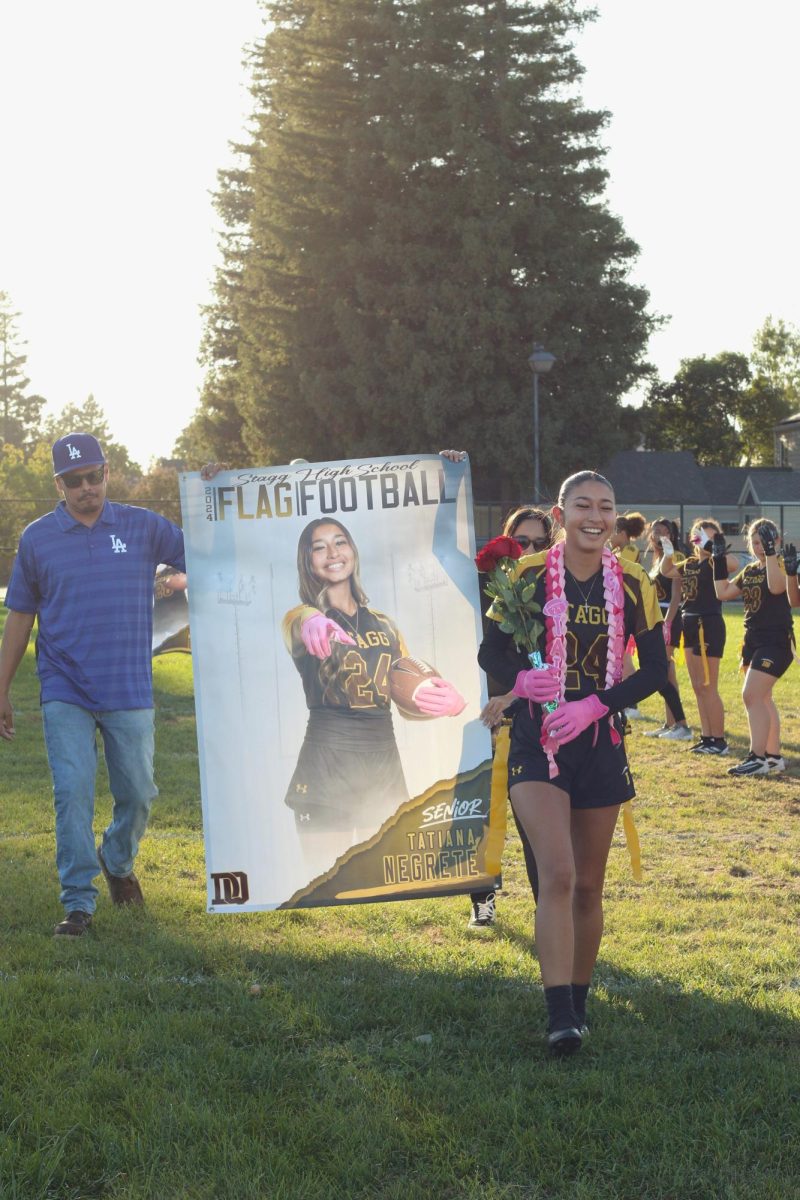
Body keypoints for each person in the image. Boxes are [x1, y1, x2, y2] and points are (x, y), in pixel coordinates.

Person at [478, 471, 667, 1055]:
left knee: (588, 885)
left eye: (606, 506)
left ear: (615, 517)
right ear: (560, 515)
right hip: (537, 742)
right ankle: (559, 1016)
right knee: (556, 873)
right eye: (582, 504)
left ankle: (580, 1002)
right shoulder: (528, 576)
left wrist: (595, 707)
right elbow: (491, 649)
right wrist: (519, 680)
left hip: (599, 742)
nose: (595, 515)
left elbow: (655, 672)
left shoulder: (634, 581)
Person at [0, 433, 186, 936]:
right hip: (65, 688)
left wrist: (211, 491)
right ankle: (78, 904)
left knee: (139, 793)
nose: (88, 488)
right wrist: (1, 690)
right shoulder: (38, 538)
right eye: (75, 480)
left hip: (129, 686)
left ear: (107, 472)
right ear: (59, 484)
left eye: (95, 476)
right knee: (73, 794)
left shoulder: (142, 526)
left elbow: (207, 550)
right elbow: (19, 616)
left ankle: (117, 861)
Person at [282, 517, 465, 877]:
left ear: (353, 550)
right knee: (324, 881)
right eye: (319, 547)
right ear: (307, 560)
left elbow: (404, 701)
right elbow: (294, 621)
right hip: (326, 765)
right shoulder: (301, 617)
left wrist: (440, 702)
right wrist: (310, 619)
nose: (332, 553)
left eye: (340, 542)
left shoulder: (384, 624)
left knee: (380, 886)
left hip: (382, 767)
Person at [469, 504, 554, 930]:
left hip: (533, 719)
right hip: (486, 715)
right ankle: (482, 901)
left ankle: (549, 909)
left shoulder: (550, 586)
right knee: (483, 815)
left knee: (536, 824)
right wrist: (448, 471)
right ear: (506, 540)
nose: (530, 549)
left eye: (541, 542)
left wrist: (524, 695)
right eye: (522, 541)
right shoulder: (483, 584)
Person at [711, 520, 794, 776]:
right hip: (753, 640)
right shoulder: (749, 571)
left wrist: (771, 552)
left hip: (775, 641)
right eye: (755, 542)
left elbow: (776, 587)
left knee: (752, 695)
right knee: (763, 698)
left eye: (764, 541)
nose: (759, 546)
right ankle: (773, 757)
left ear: (776, 541)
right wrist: (717, 561)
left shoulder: (780, 564)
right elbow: (722, 593)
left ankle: (756, 758)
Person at [660, 518, 738, 756]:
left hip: (708, 623)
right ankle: (707, 736)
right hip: (689, 622)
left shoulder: (716, 562)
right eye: (699, 535)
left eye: (709, 536)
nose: (702, 539)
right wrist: (668, 553)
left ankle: (719, 740)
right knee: (697, 686)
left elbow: (733, 563)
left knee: (708, 685)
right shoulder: (691, 563)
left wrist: (714, 549)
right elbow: (667, 570)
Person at [642, 518, 693, 741]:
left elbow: (675, 597)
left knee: (660, 672)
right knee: (667, 675)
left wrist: (667, 624)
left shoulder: (677, 557)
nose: (658, 534)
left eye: (663, 531)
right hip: (657, 618)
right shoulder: (656, 558)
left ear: (672, 535)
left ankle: (682, 726)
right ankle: (671, 724)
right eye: (655, 530)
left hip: (668, 619)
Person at [610, 511, 647, 720]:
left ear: (622, 533)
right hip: (618, 606)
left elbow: (618, 570)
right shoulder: (622, 549)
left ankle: (632, 703)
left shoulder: (630, 549)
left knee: (625, 660)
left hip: (625, 608)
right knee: (622, 658)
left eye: (613, 532)